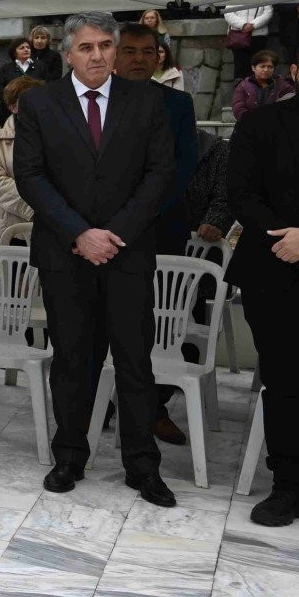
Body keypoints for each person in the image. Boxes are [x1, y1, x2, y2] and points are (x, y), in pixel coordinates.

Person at [14, 12, 178, 507]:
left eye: (106, 45)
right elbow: (31, 176)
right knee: (72, 360)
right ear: (68, 54)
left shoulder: (147, 100)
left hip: (127, 255)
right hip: (66, 255)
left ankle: (142, 466)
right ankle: (70, 457)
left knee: (133, 361)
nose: (98, 55)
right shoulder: (40, 103)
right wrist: (81, 234)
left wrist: (116, 233)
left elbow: (159, 174)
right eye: (86, 47)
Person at [227, 33, 299, 529]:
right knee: (286, 387)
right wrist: (295, 248)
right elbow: (242, 195)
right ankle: (287, 489)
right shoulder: (259, 124)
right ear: (295, 72)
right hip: (274, 275)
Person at [114, 23, 200, 446]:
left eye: (148, 51)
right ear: (113, 55)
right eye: (129, 51)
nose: (139, 59)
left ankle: (154, 407)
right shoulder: (96, 101)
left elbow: (182, 167)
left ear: (159, 56)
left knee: (161, 324)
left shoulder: (177, 104)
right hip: (104, 233)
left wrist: (137, 216)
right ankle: (107, 400)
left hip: (161, 228)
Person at [0, 76, 45, 240]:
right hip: (6, 229)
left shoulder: (56, 138)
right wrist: (36, 210)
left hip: (49, 228)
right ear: (13, 106)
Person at [234, 49, 294, 118]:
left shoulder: (283, 86)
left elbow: (289, 107)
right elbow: (238, 108)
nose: (266, 70)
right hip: (250, 124)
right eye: (262, 66)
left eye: (270, 67)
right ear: (253, 68)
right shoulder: (243, 86)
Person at [224, 4, 272, 81]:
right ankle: (241, 88)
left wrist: (253, 24)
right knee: (240, 65)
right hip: (239, 36)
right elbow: (228, 12)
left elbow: (268, 12)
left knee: (258, 64)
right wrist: (243, 25)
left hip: (258, 36)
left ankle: (257, 88)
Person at [0, 39, 36, 106]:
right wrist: (12, 103)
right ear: (14, 52)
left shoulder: (40, 66)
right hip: (10, 108)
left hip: (34, 107)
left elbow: (45, 86)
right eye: (22, 48)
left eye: (28, 47)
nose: (26, 49)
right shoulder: (6, 68)